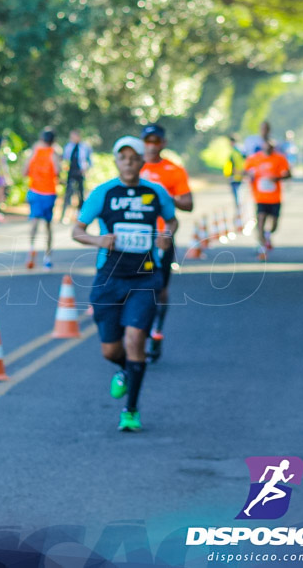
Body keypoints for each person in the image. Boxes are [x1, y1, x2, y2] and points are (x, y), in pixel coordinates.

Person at [72, 136, 177, 433]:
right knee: (110, 350)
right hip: (109, 278)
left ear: (143, 161)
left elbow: (171, 220)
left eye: (134, 157)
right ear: (116, 161)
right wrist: (98, 239)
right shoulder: (103, 193)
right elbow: (77, 231)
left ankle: (130, 410)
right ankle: (125, 370)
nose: (129, 162)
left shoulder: (156, 193)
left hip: (145, 278)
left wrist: (165, 236)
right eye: (123, 157)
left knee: (135, 339)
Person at [138, 124, 193, 363]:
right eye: (147, 141)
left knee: (159, 289)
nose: (151, 145)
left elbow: (189, 204)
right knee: (134, 289)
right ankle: (136, 335)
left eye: (155, 141)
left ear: (163, 143)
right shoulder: (132, 166)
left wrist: (167, 198)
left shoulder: (174, 170)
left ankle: (156, 331)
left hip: (162, 239)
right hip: (136, 240)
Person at [244, 139, 291, 260]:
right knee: (260, 220)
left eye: (271, 148)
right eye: (266, 148)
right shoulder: (254, 159)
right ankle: (262, 247)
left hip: (275, 197)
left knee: (274, 224)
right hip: (260, 197)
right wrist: (250, 176)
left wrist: (278, 178)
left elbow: (288, 174)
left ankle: (268, 235)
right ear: (262, 148)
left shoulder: (280, 159)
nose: (268, 150)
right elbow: (246, 172)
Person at [24, 128, 59, 270]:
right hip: (49, 193)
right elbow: (57, 171)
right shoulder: (54, 154)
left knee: (34, 222)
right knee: (48, 226)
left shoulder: (34, 153)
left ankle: (31, 248)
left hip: (34, 191)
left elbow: (24, 171)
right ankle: (48, 257)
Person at [59, 130, 92, 224]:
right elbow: (64, 158)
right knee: (68, 193)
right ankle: (64, 215)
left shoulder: (84, 147)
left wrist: (86, 169)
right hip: (70, 172)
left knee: (80, 194)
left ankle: (80, 216)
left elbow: (89, 160)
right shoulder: (68, 146)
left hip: (80, 173)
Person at [223, 134, 245, 216]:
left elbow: (237, 164)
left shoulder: (237, 151)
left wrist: (240, 172)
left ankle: (239, 211)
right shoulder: (235, 151)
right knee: (237, 194)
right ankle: (239, 210)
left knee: (237, 194)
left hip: (236, 176)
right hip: (235, 176)